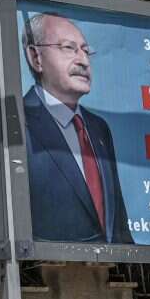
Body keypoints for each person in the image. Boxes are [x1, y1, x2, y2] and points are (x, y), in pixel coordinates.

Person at [20, 12, 132, 244]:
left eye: (85, 50)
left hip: (107, 274)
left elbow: (117, 223)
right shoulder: (17, 122)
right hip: (44, 273)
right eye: (69, 48)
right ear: (36, 57)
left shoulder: (99, 128)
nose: (83, 60)